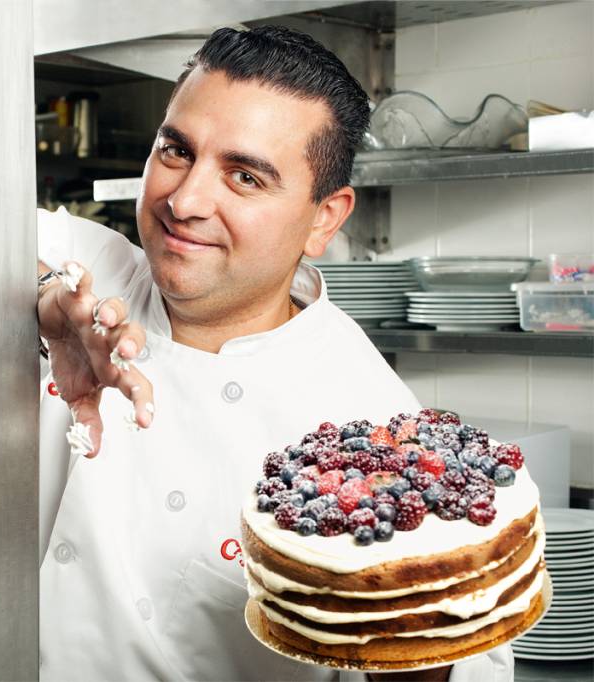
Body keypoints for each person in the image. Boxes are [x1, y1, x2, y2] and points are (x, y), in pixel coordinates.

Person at [36, 26, 513, 681]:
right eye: (176, 150)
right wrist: (34, 299)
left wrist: (408, 631)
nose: (185, 200)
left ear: (325, 218)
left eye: (244, 175)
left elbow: (470, 665)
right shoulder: (84, 269)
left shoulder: (368, 423)